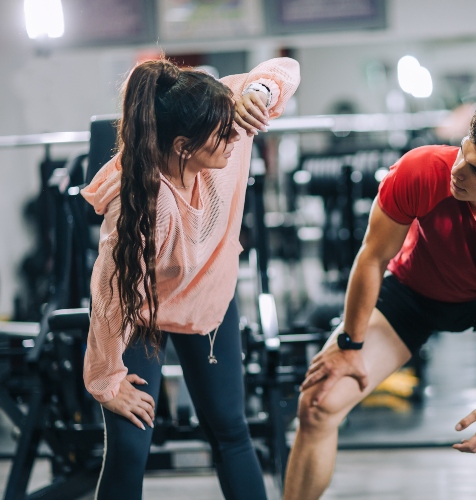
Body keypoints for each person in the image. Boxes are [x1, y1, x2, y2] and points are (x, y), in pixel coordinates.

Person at [284, 104, 476, 500]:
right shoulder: (421, 169)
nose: (458, 170)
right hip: (411, 291)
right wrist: (349, 343)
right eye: (464, 151)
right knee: (317, 403)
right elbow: (372, 258)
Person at [81, 56, 300, 500]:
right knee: (128, 447)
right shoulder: (144, 206)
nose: (236, 139)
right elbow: (110, 298)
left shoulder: (227, 132)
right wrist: (106, 381)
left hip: (209, 298)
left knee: (231, 431)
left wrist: (259, 93)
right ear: (184, 146)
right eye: (223, 135)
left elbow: (286, 67)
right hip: (142, 314)